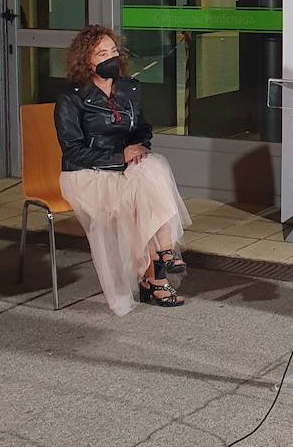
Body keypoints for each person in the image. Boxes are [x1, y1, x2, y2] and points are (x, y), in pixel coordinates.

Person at [54, 25, 192, 314]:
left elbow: (142, 129)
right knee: (142, 197)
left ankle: (161, 260)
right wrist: (120, 155)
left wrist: (139, 148)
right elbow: (73, 151)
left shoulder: (129, 88)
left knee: (152, 169)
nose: (111, 58)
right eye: (102, 54)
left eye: (113, 51)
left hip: (123, 168)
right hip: (86, 173)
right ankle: (157, 273)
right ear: (86, 60)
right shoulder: (71, 97)